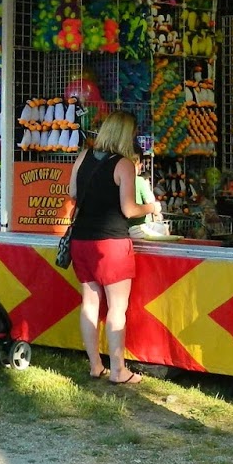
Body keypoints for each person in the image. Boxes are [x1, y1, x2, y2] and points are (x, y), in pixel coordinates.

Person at [67, 111, 161, 384]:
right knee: (117, 308)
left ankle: (95, 366)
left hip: (81, 240)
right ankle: (119, 370)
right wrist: (152, 207)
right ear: (126, 136)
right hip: (111, 244)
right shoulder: (123, 165)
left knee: (90, 303)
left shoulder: (83, 156)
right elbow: (129, 209)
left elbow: (72, 193)